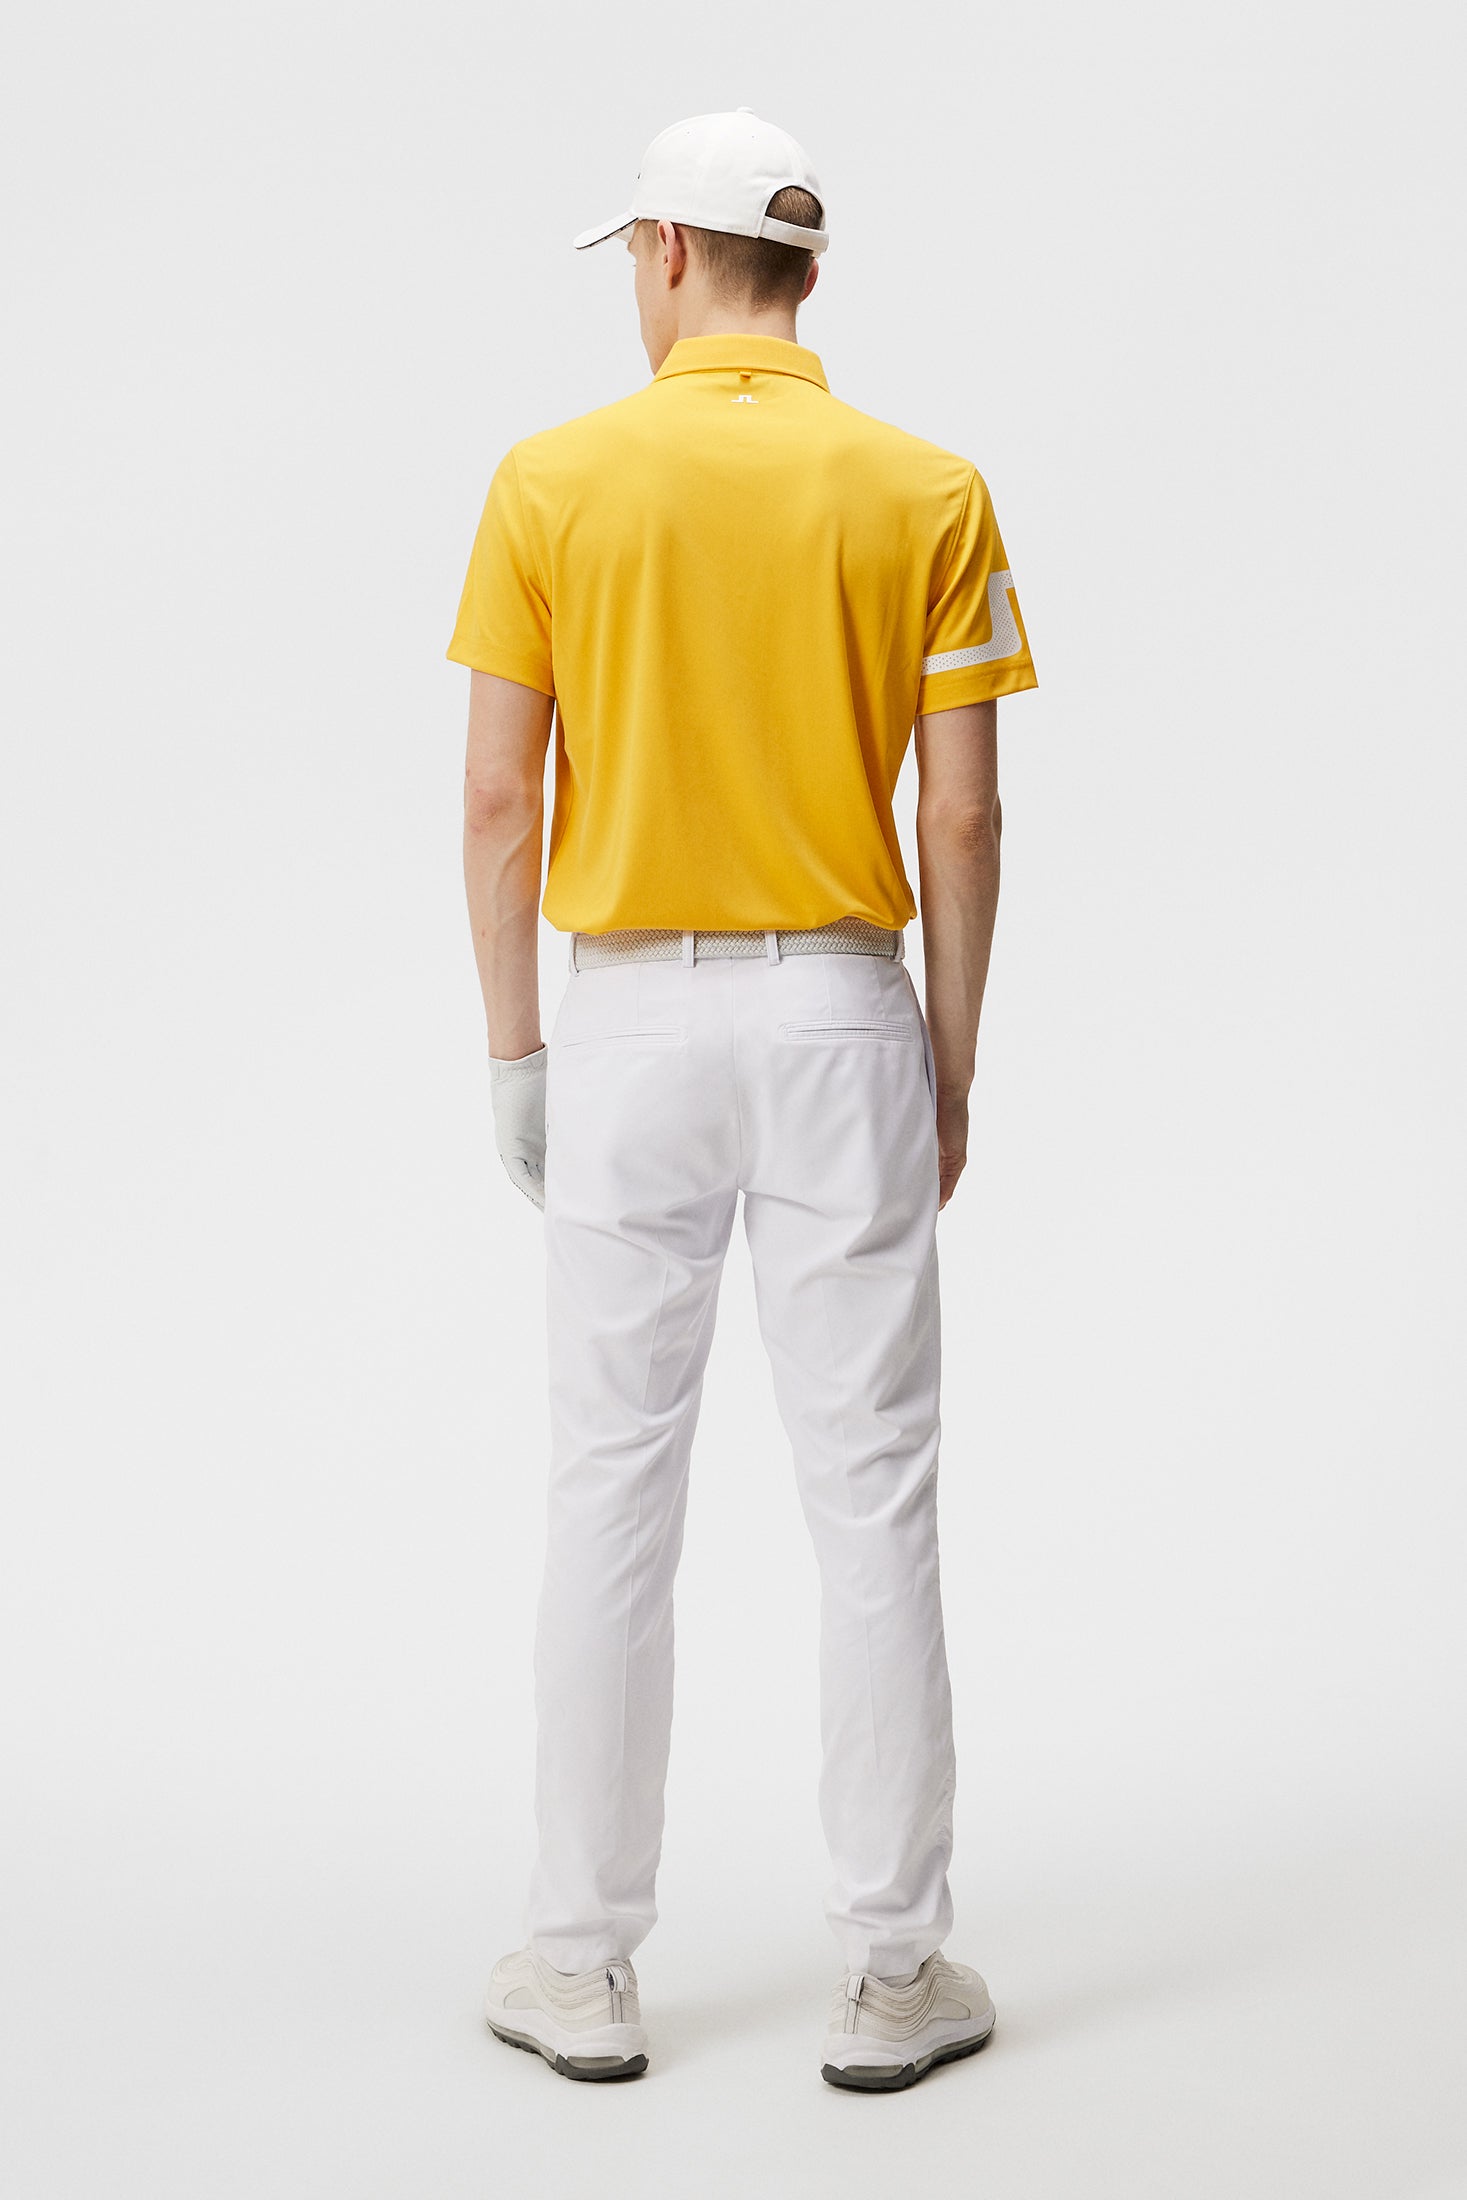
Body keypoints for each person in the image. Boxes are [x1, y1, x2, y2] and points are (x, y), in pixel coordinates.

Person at [448, 108, 1037, 2092]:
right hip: (843, 1010)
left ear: (674, 254)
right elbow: (962, 814)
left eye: (633, 254)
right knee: (872, 1495)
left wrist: (516, 1051)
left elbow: (497, 798)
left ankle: (577, 1960)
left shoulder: (552, 482)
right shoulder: (927, 489)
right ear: (804, 271)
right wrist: (946, 1059)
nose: (634, 283)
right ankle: (894, 1967)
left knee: (609, 1489)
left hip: (625, 1025)